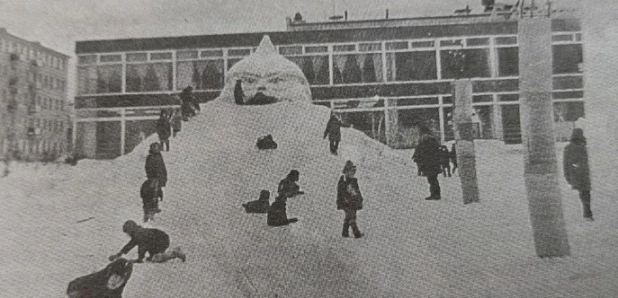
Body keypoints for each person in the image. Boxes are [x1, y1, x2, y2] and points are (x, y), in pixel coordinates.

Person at [109, 220, 186, 263]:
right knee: (152, 257)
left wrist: (139, 258)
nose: (128, 234)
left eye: (127, 232)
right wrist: (119, 254)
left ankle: (175, 252)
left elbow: (142, 246)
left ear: (131, 230)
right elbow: (130, 245)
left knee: (157, 259)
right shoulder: (138, 233)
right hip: (158, 240)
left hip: (162, 241)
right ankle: (156, 255)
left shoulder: (139, 234)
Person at [563, 128, 593, 221]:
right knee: (586, 193)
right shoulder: (584, 146)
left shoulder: (568, 148)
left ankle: (587, 213)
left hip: (575, 174)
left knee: (583, 193)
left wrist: (567, 177)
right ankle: (587, 213)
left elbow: (565, 164)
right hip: (584, 174)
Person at [66, 258, 133, 298]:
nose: (116, 282)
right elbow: (73, 287)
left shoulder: (115, 295)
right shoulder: (91, 282)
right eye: (115, 277)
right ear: (108, 275)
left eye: (121, 280)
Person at [337, 160, 364, 238]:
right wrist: (345, 199)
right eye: (350, 172)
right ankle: (356, 233)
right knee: (351, 217)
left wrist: (360, 198)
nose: (352, 174)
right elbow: (341, 192)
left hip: (353, 202)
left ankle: (344, 232)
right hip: (346, 202)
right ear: (346, 172)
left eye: (353, 173)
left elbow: (357, 190)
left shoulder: (354, 181)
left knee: (349, 217)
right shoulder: (343, 181)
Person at [414, 129, 442, 200]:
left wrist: (418, 158)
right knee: (432, 179)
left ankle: (435, 195)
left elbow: (420, 152)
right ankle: (435, 194)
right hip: (433, 164)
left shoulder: (425, 143)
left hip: (430, 164)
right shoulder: (433, 142)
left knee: (432, 179)